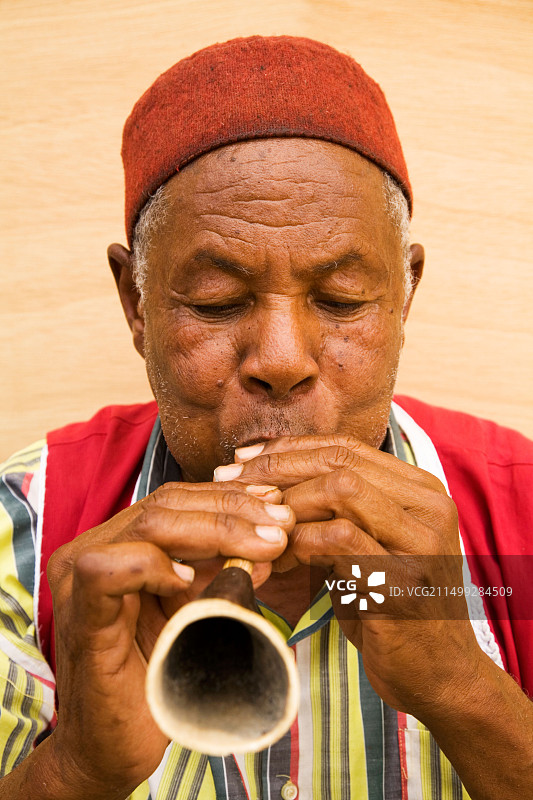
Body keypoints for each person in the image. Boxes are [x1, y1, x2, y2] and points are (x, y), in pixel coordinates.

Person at [0, 35, 531, 800]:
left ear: (405, 294)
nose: (281, 360)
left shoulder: (521, 521)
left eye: (342, 300)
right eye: (216, 303)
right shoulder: (24, 525)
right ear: (136, 303)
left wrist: (461, 688)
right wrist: (78, 770)